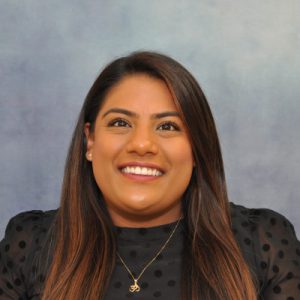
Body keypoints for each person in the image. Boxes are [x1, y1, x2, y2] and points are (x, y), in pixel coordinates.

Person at [0, 51, 299, 300]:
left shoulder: (264, 241)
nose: (142, 144)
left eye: (168, 126)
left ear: (197, 148)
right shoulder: (29, 244)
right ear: (90, 141)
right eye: (120, 122)